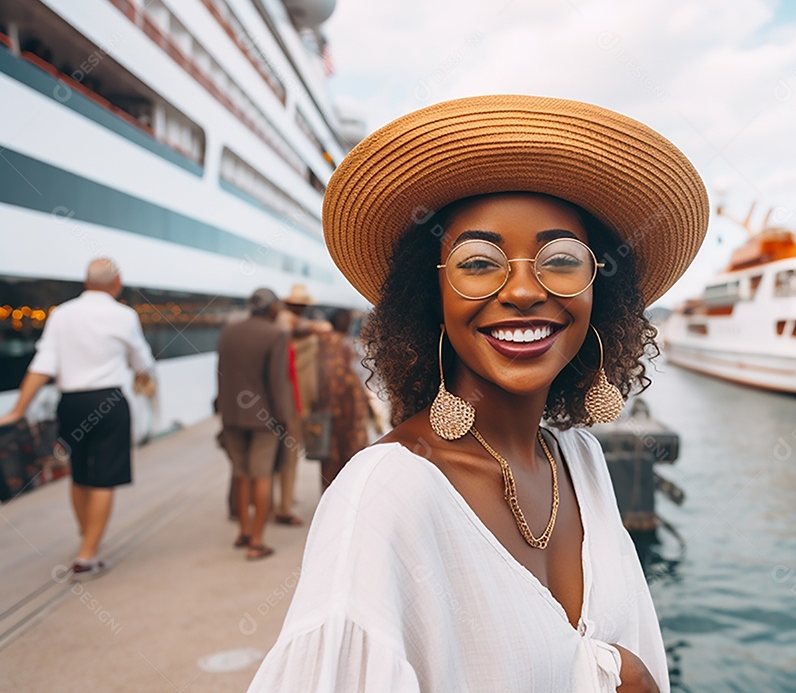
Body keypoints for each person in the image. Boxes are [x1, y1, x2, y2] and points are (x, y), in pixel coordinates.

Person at [246, 95, 709, 692]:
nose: (523, 290)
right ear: (431, 295)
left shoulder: (583, 461)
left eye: (561, 260)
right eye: (478, 262)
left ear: (600, 289)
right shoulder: (384, 496)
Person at [0, 259, 155, 579]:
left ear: (86, 282)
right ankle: (87, 555)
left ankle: (88, 537)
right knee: (105, 477)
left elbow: (43, 364)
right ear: (117, 282)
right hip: (109, 401)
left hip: (71, 404)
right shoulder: (124, 315)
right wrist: (144, 375)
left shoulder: (62, 314)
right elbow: (142, 362)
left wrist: (18, 409)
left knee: (80, 472)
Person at [216, 288, 295, 561]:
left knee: (241, 473)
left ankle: (244, 531)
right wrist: (284, 418)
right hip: (264, 418)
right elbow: (277, 382)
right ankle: (257, 542)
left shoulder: (229, 331)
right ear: (272, 308)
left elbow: (221, 373)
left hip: (231, 415)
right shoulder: (276, 335)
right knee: (262, 475)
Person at [273, 283, 330, 526]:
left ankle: (284, 499)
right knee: (289, 454)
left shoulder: (295, 326)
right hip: (293, 401)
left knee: (288, 453)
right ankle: (283, 506)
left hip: (292, 399)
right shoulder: (288, 324)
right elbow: (295, 329)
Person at [313, 309, 374, 489]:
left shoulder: (323, 343)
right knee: (349, 455)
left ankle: (329, 495)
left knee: (330, 457)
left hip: (327, 406)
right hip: (348, 409)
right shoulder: (345, 345)